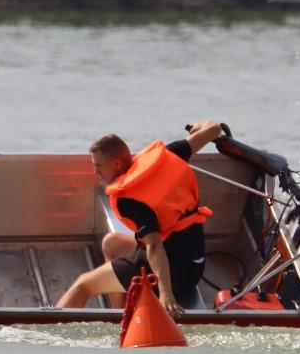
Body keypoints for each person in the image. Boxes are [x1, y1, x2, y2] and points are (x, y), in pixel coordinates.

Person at [56, 120, 226, 317]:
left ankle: (47, 330)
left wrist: (166, 293)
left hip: (175, 270)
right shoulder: (169, 154)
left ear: (116, 164)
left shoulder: (129, 198)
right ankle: (121, 316)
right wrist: (200, 126)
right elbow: (215, 128)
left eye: (98, 166)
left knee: (82, 285)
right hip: (193, 261)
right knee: (111, 243)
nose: (96, 172)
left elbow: (154, 245)